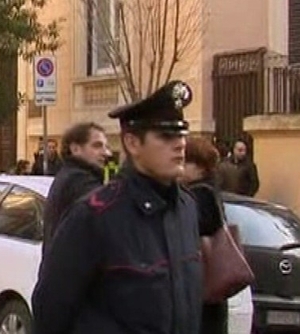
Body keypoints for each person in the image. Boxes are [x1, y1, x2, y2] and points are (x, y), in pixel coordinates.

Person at [32, 80, 202, 334]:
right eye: (166, 136)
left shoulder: (186, 208)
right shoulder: (96, 215)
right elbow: (51, 310)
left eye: (181, 135)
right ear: (133, 143)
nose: (179, 145)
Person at [180, 137, 229, 334]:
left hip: (205, 282)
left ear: (200, 167)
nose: (180, 167)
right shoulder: (203, 190)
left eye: (186, 162)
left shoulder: (201, 194)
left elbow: (202, 226)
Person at [41, 122, 110, 252]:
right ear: (75, 149)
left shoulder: (69, 175)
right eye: (97, 146)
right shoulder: (80, 181)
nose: (106, 153)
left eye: (106, 147)